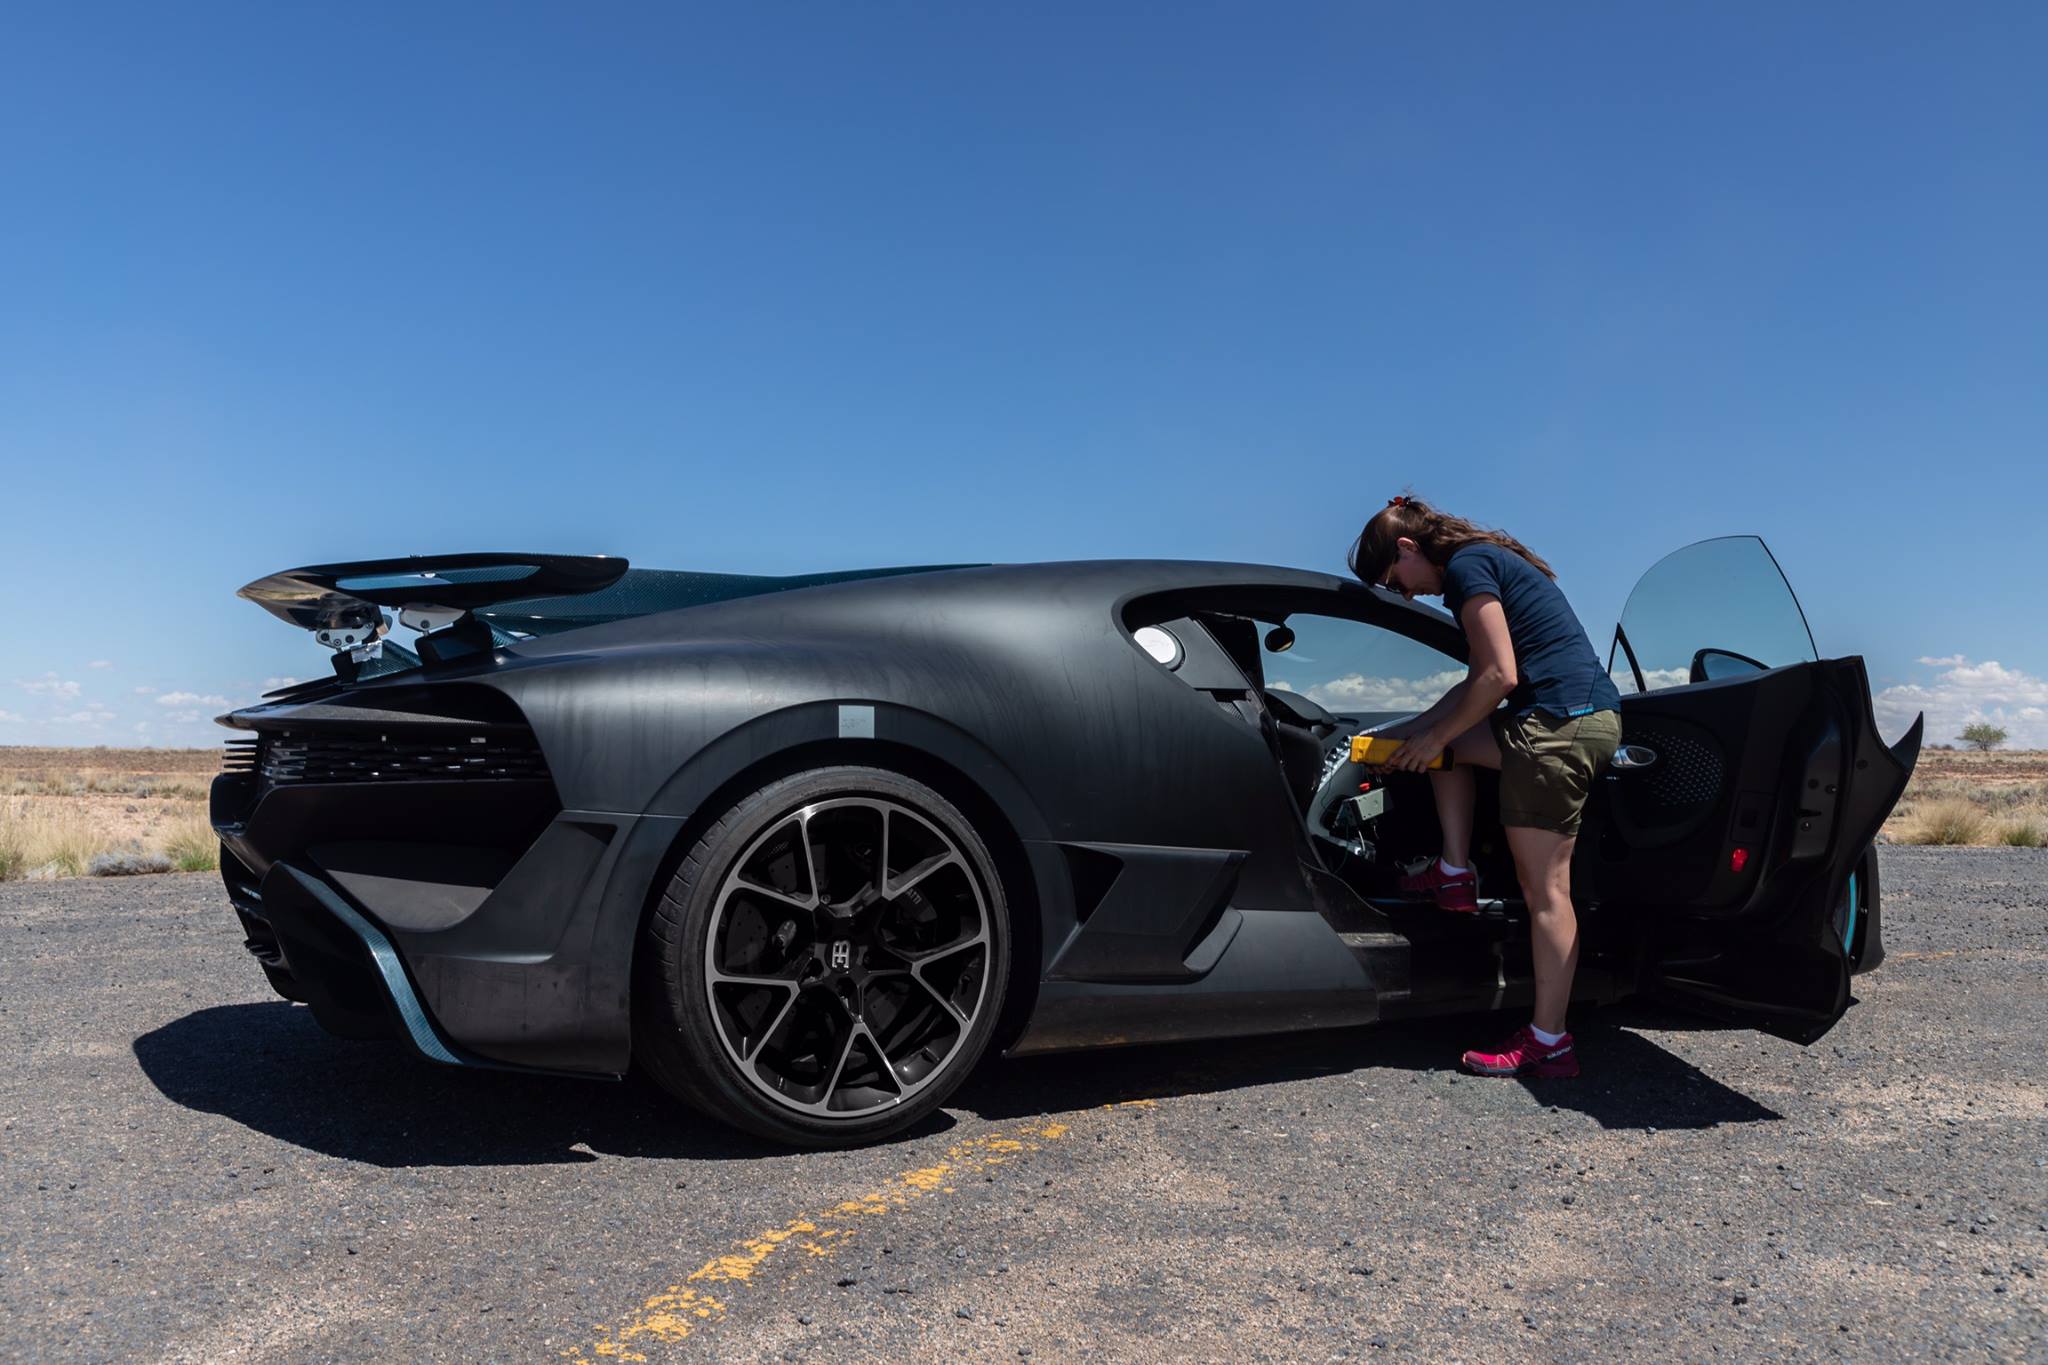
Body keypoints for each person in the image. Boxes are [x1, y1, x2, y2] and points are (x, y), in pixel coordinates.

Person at [1346, 494, 1621, 1079]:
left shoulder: (1469, 567)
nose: (1406, 593)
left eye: (1397, 580)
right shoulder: (1480, 562)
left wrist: (1430, 735)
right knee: (1444, 749)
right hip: (1558, 718)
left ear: (1408, 548)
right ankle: (1452, 874)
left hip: (1557, 726)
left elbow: (1500, 675)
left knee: (1547, 892)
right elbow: (1476, 683)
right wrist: (1409, 735)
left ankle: (1550, 1041)